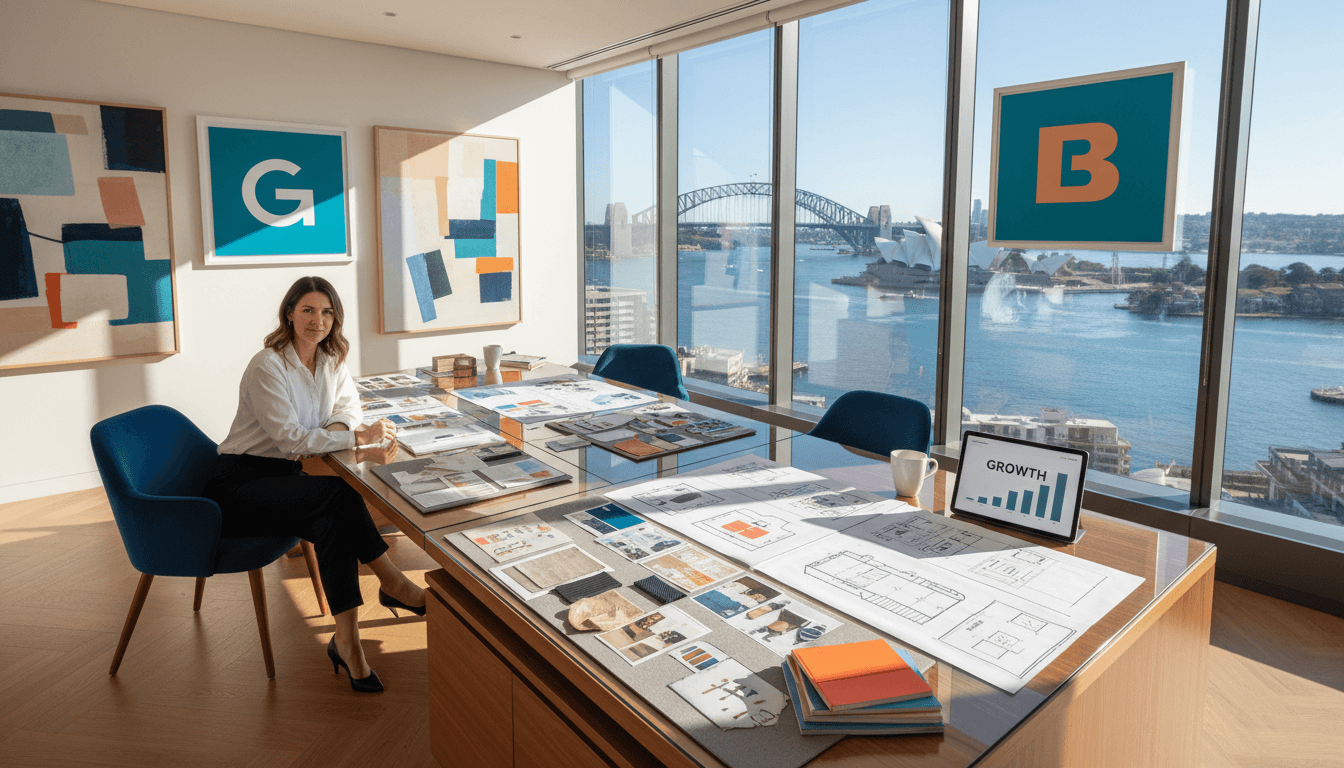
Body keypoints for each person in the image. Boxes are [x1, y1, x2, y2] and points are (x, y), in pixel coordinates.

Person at [204, 276, 425, 693]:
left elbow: (348, 408)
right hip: (239, 484)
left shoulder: (331, 360)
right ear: (289, 313)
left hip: (286, 480)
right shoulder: (266, 365)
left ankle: (349, 642)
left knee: (333, 519)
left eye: (326, 312)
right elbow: (292, 440)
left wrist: (346, 431)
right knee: (338, 496)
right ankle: (392, 582)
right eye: (307, 310)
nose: (317, 320)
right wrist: (357, 441)